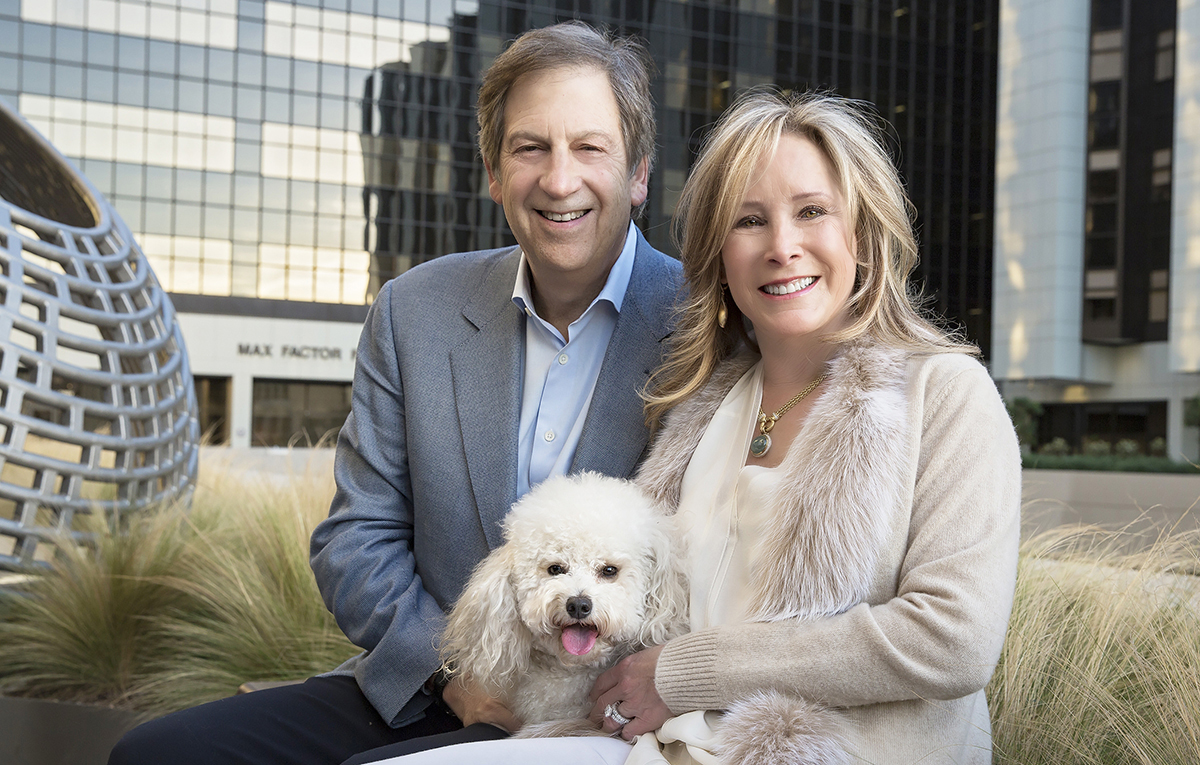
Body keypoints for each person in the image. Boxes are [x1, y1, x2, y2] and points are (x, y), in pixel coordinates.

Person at [374, 91, 1020, 764]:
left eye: (812, 212)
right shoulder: (703, 404)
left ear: (862, 230)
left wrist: (690, 670)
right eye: (749, 221)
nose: (782, 246)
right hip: (648, 746)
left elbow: (952, 640)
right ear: (719, 253)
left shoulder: (944, 394)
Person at [108, 21, 681, 765]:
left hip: (607, 718)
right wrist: (452, 674)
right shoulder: (415, 309)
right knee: (158, 755)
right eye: (530, 147)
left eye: (589, 147)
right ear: (492, 170)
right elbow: (355, 539)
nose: (559, 179)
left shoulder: (703, 322)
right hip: (431, 685)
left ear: (637, 172)